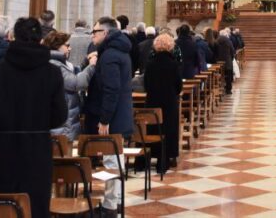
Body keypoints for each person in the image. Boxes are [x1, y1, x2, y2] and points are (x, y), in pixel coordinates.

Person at [0, 17, 66, 218]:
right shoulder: (52, 73)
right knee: (35, 207)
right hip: (37, 150)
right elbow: (59, 116)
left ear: (12, 37)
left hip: (2, 149)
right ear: (40, 40)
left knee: (1, 207)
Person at [84, 16, 134, 216]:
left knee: (112, 161)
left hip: (112, 118)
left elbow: (111, 90)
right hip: (119, 114)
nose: (92, 35)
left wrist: (104, 119)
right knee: (115, 159)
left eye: (94, 32)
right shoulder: (117, 52)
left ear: (105, 33)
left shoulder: (110, 55)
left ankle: (110, 206)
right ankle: (116, 201)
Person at [44, 31, 97, 142]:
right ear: (57, 46)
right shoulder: (55, 64)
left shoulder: (58, 63)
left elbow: (73, 72)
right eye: (67, 45)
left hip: (66, 121)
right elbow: (77, 83)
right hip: (64, 124)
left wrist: (85, 62)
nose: (70, 48)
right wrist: (91, 66)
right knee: (64, 155)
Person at [144, 33, 184, 173]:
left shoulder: (150, 64)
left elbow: (146, 84)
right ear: (170, 46)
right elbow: (179, 85)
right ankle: (164, 161)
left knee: (154, 128)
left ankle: (147, 159)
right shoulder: (173, 64)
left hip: (153, 101)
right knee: (168, 130)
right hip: (169, 102)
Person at [215, 28, 235, 94]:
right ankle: (228, 89)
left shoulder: (216, 41)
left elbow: (214, 51)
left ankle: (217, 88)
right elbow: (232, 51)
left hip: (218, 62)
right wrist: (231, 58)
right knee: (228, 76)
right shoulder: (228, 41)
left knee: (218, 75)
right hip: (227, 61)